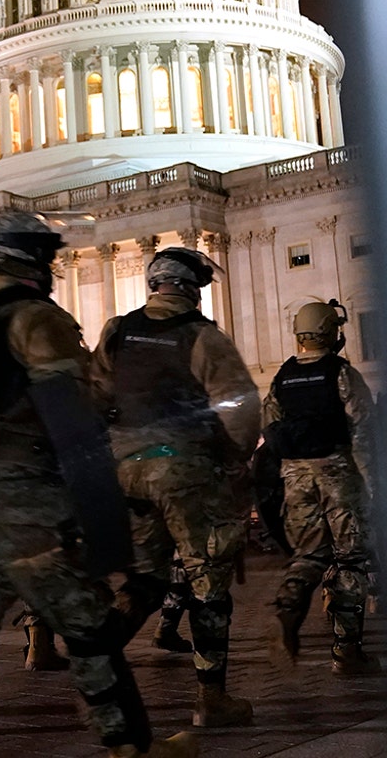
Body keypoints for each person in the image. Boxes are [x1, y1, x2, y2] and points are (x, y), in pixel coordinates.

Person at [0, 213, 196, 758]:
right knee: (89, 628)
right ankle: (131, 747)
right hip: (27, 508)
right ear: (35, 260)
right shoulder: (37, 321)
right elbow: (74, 425)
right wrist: (108, 526)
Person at [93, 246, 262, 726]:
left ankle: (98, 659)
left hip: (127, 468)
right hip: (185, 469)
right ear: (191, 289)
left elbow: (95, 392)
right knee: (208, 583)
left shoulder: (117, 330)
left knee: (145, 580)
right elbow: (241, 408)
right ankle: (211, 699)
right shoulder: (202, 336)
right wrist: (233, 459)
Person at [263, 299, 380, 674]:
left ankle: (287, 607)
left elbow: (270, 426)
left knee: (309, 554)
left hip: (295, 476)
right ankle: (347, 650)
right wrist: (372, 483)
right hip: (337, 471)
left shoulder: (282, 377)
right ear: (333, 331)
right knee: (349, 558)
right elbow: (362, 430)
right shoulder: (341, 373)